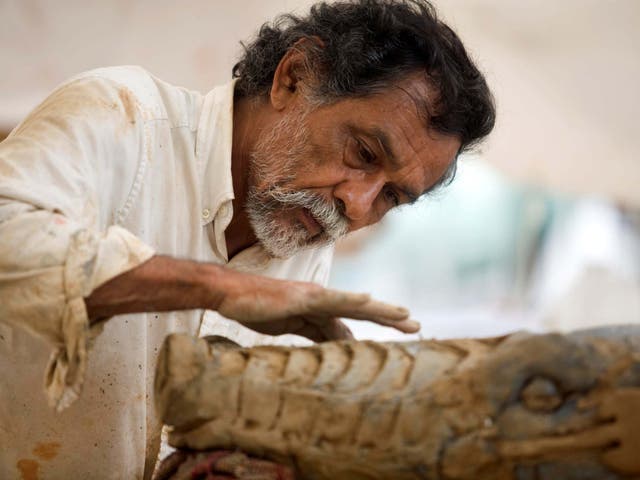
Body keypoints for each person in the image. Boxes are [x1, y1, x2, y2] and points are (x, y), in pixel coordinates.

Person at [0, 0, 495, 478]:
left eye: (391, 196)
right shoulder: (123, 116)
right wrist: (220, 288)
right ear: (293, 79)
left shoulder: (304, 237)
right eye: (363, 153)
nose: (359, 205)